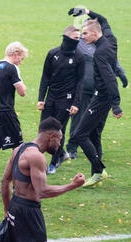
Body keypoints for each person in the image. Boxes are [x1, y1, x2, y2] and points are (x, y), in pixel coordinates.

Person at [0, 117, 85, 242]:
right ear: (51, 136)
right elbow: (42, 191)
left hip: (16, 206)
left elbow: (5, 181)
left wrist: (7, 210)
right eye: (59, 140)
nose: (59, 144)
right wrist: (72, 185)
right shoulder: (37, 157)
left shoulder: (20, 149)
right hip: (29, 212)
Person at [65, 9, 128, 160]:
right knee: (78, 118)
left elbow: (113, 61)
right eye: (82, 32)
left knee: (98, 123)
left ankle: (95, 152)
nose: (82, 35)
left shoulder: (106, 44)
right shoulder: (79, 44)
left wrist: (121, 73)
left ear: (95, 32)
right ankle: (72, 147)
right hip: (85, 87)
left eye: (86, 32)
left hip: (101, 90)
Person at [37, 26, 85, 174]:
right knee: (44, 129)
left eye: (79, 38)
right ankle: (60, 154)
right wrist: (41, 99)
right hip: (51, 97)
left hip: (67, 99)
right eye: (76, 38)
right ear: (66, 37)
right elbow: (45, 77)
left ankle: (54, 162)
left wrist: (76, 103)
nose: (79, 41)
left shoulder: (79, 56)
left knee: (58, 130)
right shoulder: (53, 53)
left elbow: (80, 82)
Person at [0, 42, 28, 194]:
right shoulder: (12, 67)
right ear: (15, 54)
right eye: (21, 58)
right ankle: (18, 184)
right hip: (5, 112)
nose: (21, 62)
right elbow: (22, 92)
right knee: (18, 147)